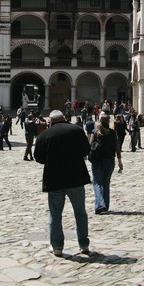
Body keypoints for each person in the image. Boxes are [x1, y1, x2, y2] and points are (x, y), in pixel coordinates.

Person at [34, 110, 91, 257]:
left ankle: (57, 247)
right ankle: (84, 245)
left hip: (54, 180)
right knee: (80, 213)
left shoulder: (44, 135)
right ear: (64, 118)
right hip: (76, 178)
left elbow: (39, 158)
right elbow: (86, 150)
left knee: (55, 214)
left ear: (50, 121)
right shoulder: (77, 131)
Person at [89, 114, 123, 214]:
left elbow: (90, 145)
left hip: (97, 161)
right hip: (109, 161)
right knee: (106, 183)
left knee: (97, 183)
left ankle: (100, 205)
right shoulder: (112, 133)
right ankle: (105, 206)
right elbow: (117, 147)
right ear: (109, 121)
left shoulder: (95, 132)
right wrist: (120, 160)